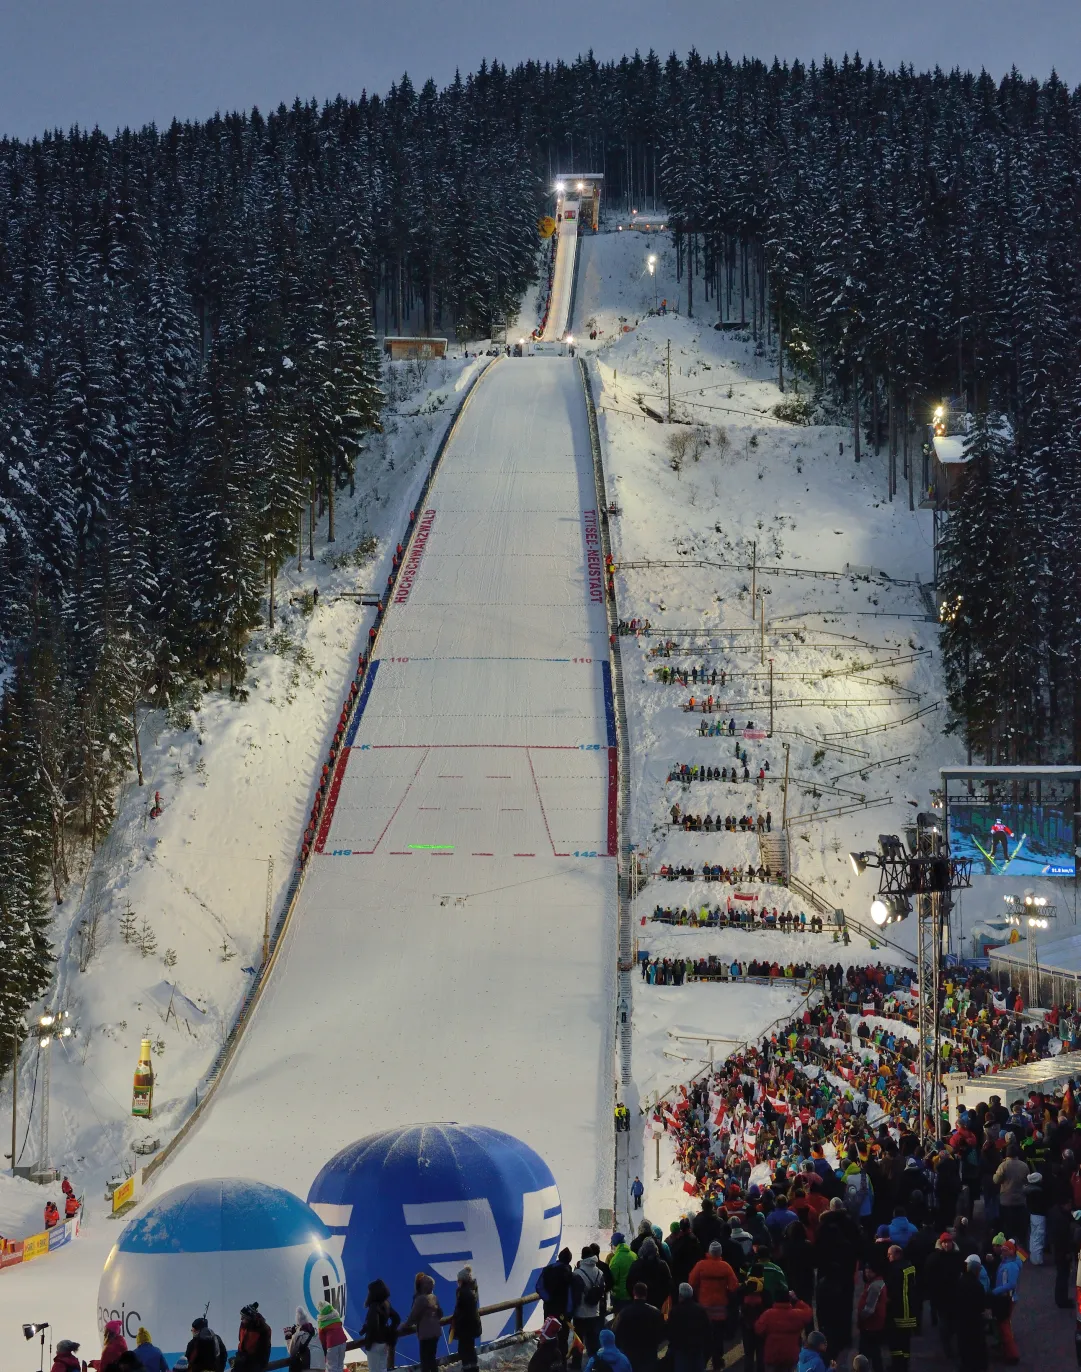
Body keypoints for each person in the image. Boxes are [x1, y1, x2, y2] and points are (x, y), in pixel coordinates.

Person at [689, 1240, 739, 1370]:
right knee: (718, 1335)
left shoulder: (701, 1265)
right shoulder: (725, 1266)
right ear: (720, 1253)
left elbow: (692, 1282)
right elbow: (734, 1286)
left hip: (704, 1307)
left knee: (705, 1335)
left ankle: (703, 1361)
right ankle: (717, 1361)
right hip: (720, 1308)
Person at [753, 1287, 813, 1372]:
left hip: (773, 1354)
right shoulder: (797, 1314)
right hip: (790, 1355)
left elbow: (758, 1329)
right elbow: (809, 1312)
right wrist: (796, 1300)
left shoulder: (768, 1314)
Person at [921, 1232, 962, 1355]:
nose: (947, 1245)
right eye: (944, 1242)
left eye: (948, 1242)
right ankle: (947, 1345)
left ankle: (947, 1340)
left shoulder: (955, 1256)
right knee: (945, 1321)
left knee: (951, 1320)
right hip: (941, 1295)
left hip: (953, 1294)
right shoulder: (935, 1258)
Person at [613, 1283, 665, 1372]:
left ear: (634, 1293)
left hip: (629, 1351)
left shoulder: (624, 1313)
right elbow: (662, 1332)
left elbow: (616, 1331)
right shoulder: (655, 1312)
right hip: (649, 1351)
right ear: (646, 1294)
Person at [882, 1245, 917, 1372]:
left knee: (895, 1341)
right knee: (906, 1341)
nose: (888, 1257)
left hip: (897, 1310)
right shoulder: (910, 1267)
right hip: (909, 1311)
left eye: (889, 1254)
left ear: (897, 1254)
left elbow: (891, 1291)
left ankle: (897, 1366)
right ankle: (905, 1365)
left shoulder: (893, 1269)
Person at [401, 1273, 444, 1372]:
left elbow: (412, 1317)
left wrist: (404, 1326)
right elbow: (440, 1314)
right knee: (432, 1358)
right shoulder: (434, 1297)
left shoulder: (420, 1299)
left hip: (426, 1334)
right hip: (436, 1332)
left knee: (425, 1360)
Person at [665, 1283, 711, 1372]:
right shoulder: (700, 1310)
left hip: (681, 1349)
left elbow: (670, 1331)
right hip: (697, 1348)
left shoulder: (675, 1311)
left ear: (680, 1295)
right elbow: (707, 1330)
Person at [954, 1255, 988, 1372]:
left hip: (962, 1321)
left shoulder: (960, 1282)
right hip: (974, 1321)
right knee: (976, 1347)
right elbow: (981, 1305)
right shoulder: (978, 1286)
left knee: (964, 1347)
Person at [572, 1248, 606, 1364]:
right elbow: (602, 1290)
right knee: (593, 1340)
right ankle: (595, 1363)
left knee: (578, 1339)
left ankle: (576, 1363)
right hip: (594, 1312)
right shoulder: (600, 1272)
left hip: (580, 1313)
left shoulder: (577, 1273)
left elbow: (575, 1295)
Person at [990, 1238, 1021, 1363]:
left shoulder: (1011, 1266)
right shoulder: (1006, 1263)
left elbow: (1011, 1284)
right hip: (1004, 1297)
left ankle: (1012, 1354)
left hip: (1006, 1298)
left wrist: (995, 1291)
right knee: (1003, 1325)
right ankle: (1007, 1350)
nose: (1002, 1252)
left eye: (1005, 1250)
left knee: (1005, 1326)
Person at [359, 1280, 399, 1372]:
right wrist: (389, 1331)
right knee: (382, 1368)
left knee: (374, 1369)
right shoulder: (386, 1303)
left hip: (375, 1343)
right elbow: (397, 1319)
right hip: (384, 1341)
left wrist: (370, 1338)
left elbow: (373, 1325)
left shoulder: (374, 1307)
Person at [993, 1147, 1030, 1245]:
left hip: (1006, 1201)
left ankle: (1007, 1249)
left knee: (1007, 1228)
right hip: (1020, 1201)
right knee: (1020, 1229)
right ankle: (1020, 1252)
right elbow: (1027, 1181)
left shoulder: (1003, 1165)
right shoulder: (1024, 1166)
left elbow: (996, 1180)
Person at [856, 1265, 887, 1372]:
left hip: (871, 1325)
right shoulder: (877, 1283)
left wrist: (861, 1317)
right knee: (875, 1352)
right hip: (875, 1324)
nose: (866, 1274)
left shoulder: (874, 1286)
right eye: (866, 1271)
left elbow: (869, 1309)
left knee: (867, 1353)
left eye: (869, 1272)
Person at [452, 1267, 482, 1372]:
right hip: (472, 1324)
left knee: (463, 1349)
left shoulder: (463, 1292)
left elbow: (461, 1309)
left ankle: (468, 1369)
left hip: (465, 1325)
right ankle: (473, 1368)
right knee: (470, 1348)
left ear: (462, 1280)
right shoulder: (472, 1289)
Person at [235, 1304, 272, 1372]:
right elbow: (241, 1341)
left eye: (243, 1317)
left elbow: (264, 1349)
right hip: (242, 1358)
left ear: (250, 1318)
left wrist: (260, 1365)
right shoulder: (243, 1324)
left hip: (254, 1362)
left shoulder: (263, 1329)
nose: (241, 1319)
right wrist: (239, 1357)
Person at [287, 1307, 323, 1371]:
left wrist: (289, 1338)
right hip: (322, 1366)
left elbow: (291, 1352)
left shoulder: (298, 1335)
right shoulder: (317, 1331)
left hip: (309, 1366)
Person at [608, 1233, 635, 1313]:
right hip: (632, 1294)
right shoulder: (633, 1255)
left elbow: (612, 1280)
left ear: (614, 1245)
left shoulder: (615, 1259)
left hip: (619, 1297)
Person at [317, 1304, 348, 1372]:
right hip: (343, 1342)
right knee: (340, 1365)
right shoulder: (336, 1318)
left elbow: (322, 1340)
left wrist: (324, 1353)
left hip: (332, 1344)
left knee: (331, 1367)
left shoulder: (322, 1322)